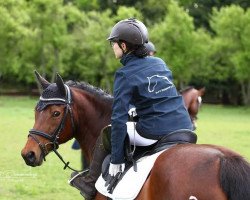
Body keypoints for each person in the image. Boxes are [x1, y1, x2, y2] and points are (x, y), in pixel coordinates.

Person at [69, 18, 193, 200]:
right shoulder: (159, 62)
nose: (112, 47)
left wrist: (116, 159)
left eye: (114, 43)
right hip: (185, 127)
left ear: (124, 46)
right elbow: (158, 97)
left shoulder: (124, 74)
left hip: (156, 132)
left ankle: (89, 183)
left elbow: (118, 120)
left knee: (108, 132)